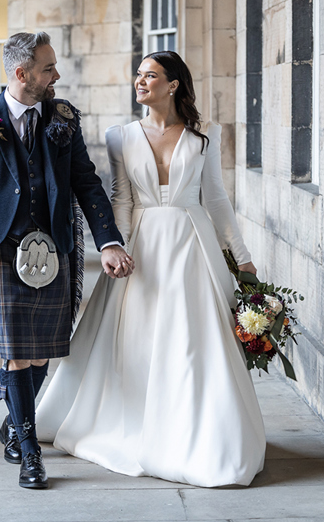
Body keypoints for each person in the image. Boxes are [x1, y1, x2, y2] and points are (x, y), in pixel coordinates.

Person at [36, 51, 267, 487]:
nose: (140, 82)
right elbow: (120, 197)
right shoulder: (120, 135)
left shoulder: (205, 135)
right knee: (135, 340)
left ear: (174, 84)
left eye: (151, 75)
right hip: (141, 245)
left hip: (192, 244)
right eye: (138, 75)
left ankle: (197, 435)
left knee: (193, 342)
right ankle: (133, 423)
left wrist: (242, 255)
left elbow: (215, 198)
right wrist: (115, 248)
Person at [0, 32, 133, 490]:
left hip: (52, 244)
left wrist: (108, 241)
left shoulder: (63, 118)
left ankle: (14, 414)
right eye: (48, 68)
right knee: (16, 350)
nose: (56, 75)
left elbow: (86, 182)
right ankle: (30, 452)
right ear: (21, 73)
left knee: (44, 346)